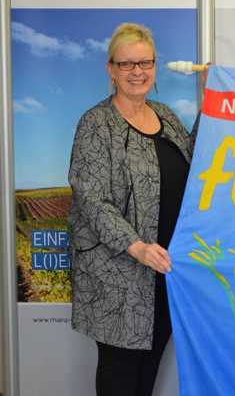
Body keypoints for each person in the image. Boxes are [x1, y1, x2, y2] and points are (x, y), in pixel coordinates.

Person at [68, 23, 193, 396]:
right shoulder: (95, 124)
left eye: (144, 62)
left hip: (164, 271)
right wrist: (136, 246)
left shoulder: (167, 116)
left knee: (149, 368)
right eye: (126, 64)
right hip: (117, 277)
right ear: (111, 69)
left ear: (154, 66)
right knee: (120, 374)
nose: (137, 71)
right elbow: (91, 199)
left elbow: (197, 162)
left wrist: (211, 100)